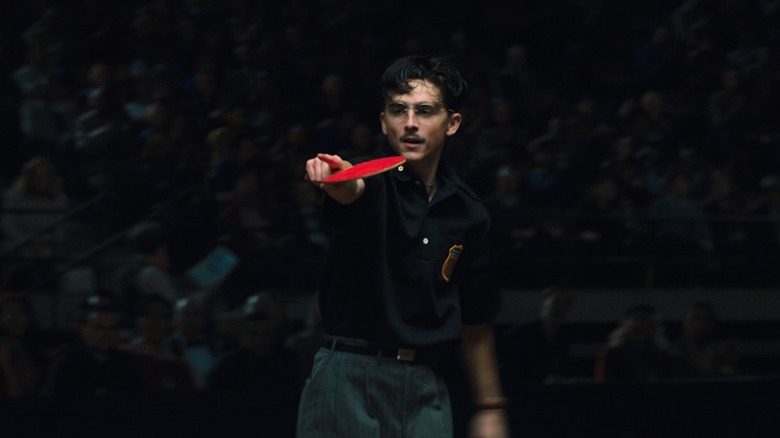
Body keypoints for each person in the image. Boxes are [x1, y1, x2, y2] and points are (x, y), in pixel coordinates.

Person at [300, 55, 508, 438]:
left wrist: (490, 406)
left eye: (425, 111)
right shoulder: (368, 181)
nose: (410, 123)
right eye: (399, 110)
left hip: (425, 384)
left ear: (453, 123)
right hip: (348, 374)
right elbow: (349, 190)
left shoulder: (469, 213)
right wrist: (335, 179)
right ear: (384, 122)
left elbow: (475, 321)